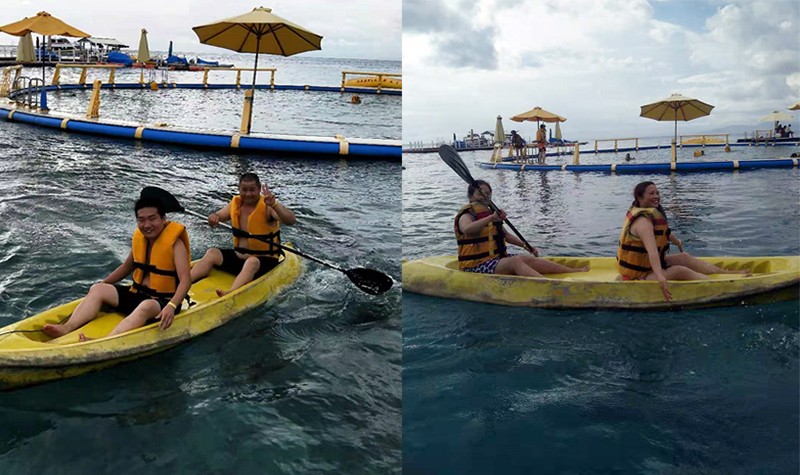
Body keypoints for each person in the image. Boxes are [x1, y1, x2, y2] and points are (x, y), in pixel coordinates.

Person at [42, 196, 191, 341]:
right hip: (137, 295)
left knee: (147, 305)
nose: (147, 225)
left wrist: (172, 306)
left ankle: (106, 341)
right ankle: (66, 328)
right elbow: (127, 266)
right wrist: (103, 285)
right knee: (98, 289)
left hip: (162, 303)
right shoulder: (142, 240)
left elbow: (185, 280)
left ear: (163, 218)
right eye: (141, 220)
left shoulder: (176, 245)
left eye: (152, 219)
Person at [616, 181, 749, 301]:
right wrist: (660, 276)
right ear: (639, 198)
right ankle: (722, 286)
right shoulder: (642, 223)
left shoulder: (649, 214)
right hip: (638, 275)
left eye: (657, 193)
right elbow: (652, 252)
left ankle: (727, 273)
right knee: (679, 271)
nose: (656, 196)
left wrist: (676, 241)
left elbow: (664, 232)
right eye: (651, 193)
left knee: (684, 257)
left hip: (648, 266)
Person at [454, 180, 589, 277]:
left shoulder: (490, 214)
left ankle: (572, 271)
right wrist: (491, 218)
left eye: (488, 194)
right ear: (471, 197)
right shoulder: (467, 214)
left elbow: (506, 236)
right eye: (481, 194)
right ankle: (547, 284)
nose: (485, 197)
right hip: (475, 266)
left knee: (528, 259)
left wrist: (525, 246)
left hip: (495, 259)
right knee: (515, 261)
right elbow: (467, 230)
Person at [190, 173, 296, 296]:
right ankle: (184, 282)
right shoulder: (235, 203)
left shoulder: (268, 207)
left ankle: (230, 293)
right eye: (244, 190)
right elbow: (219, 215)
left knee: (252, 262)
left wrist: (274, 204)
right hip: (240, 258)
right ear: (239, 189)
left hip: (264, 262)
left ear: (259, 189)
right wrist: (214, 217)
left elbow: (291, 220)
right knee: (212, 252)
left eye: (252, 190)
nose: (248, 194)